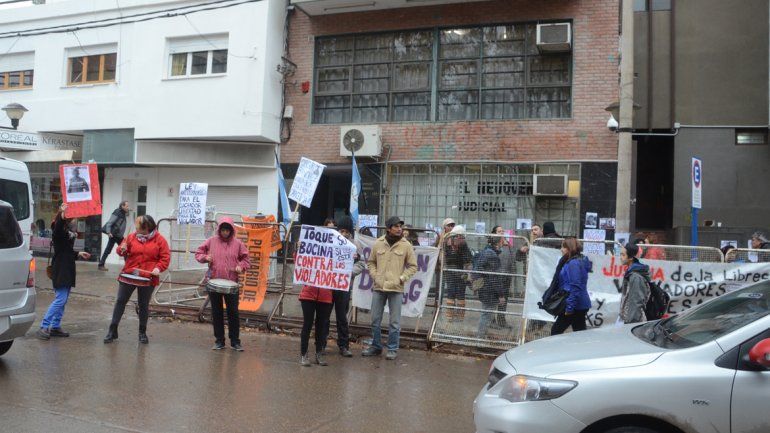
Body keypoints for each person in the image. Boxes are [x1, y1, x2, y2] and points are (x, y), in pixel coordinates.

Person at [104, 215, 170, 345]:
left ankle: (142, 332)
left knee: (143, 305)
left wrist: (158, 268)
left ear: (147, 228)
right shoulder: (131, 237)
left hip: (147, 277)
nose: (136, 228)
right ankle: (112, 330)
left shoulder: (160, 240)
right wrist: (121, 249)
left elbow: (165, 258)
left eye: (138, 226)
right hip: (129, 274)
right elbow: (120, 250)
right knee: (120, 301)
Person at [363, 216, 417, 360]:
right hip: (379, 287)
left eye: (400, 226)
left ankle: (392, 349)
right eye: (396, 226)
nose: (399, 229)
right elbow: (371, 262)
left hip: (396, 289)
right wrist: (375, 276)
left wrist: (402, 278)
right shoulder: (378, 243)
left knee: (394, 322)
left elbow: (413, 266)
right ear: (388, 228)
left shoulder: (406, 245)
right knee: (375, 319)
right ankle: (376, 346)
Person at [37, 203, 91, 340]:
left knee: (63, 299)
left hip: (67, 268)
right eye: (73, 218)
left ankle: (55, 326)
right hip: (60, 269)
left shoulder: (67, 233)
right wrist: (62, 211)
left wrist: (79, 254)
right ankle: (44, 326)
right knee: (60, 299)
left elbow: (66, 251)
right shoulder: (59, 230)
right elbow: (59, 227)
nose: (75, 221)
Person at [195, 217, 250, 351]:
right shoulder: (211, 241)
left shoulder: (238, 244)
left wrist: (240, 266)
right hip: (214, 282)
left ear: (232, 230)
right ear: (219, 230)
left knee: (233, 313)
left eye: (228, 230)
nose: (225, 232)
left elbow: (246, 260)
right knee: (217, 312)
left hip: (232, 283)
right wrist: (205, 257)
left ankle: (235, 341)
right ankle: (219, 340)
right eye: (223, 230)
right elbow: (198, 252)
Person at [321, 216, 366, 357]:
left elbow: (361, 263)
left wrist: (350, 273)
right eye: (341, 230)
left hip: (344, 286)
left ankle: (344, 345)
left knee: (342, 317)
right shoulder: (328, 242)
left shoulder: (355, 245)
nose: (344, 233)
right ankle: (321, 344)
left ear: (350, 231)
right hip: (328, 285)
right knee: (324, 316)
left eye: (346, 231)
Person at [550, 238, 592, 335]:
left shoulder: (574, 263)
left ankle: (558, 350)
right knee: (579, 333)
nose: (561, 249)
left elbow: (575, 287)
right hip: (578, 304)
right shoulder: (576, 261)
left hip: (574, 305)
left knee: (555, 332)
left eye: (563, 247)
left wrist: (569, 308)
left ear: (570, 248)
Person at [475, 235, 505, 338]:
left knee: (486, 313)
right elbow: (495, 277)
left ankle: (482, 335)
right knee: (487, 314)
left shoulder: (487, 252)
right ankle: (480, 337)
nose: (504, 242)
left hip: (485, 288)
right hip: (489, 290)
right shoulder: (492, 255)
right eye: (502, 240)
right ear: (498, 243)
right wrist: (500, 294)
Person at [442, 225, 472, 322]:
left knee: (457, 293)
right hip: (457, 270)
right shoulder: (450, 243)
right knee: (456, 293)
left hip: (454, 270)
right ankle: (454, 317)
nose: (461, 239)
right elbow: (467, 259)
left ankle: (454, 317)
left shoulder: (448, 242)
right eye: (461, 237)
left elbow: (467, 259)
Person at [618, 243, 651, 325]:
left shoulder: (636, 276)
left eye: (623, 255)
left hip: (634, 322)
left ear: (631, 258)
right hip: (630, 319)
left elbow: (636, 302)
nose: (620, 257)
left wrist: (631, 323)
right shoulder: (631, 272)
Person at [493, 225, 515, 328]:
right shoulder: (492, 244)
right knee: (494, 298)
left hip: (507, 275)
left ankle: (501, 320)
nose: (501, 233)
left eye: (502, 231)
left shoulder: (507, 244)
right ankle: (491, 320)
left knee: (504, 298)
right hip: (496, 276)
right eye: (499, 231)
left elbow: (512, 258)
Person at [98, 201, 130, 271]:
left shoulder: (123, 213)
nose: (128, 207)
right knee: (120, 249)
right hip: (114, 235)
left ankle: (128, 266)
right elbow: (110, 222)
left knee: (124, 249)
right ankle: (101, 265)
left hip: (118, 235)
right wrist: (109, 232)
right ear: (122, 206)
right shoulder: (117, 212)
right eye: (127, 206)